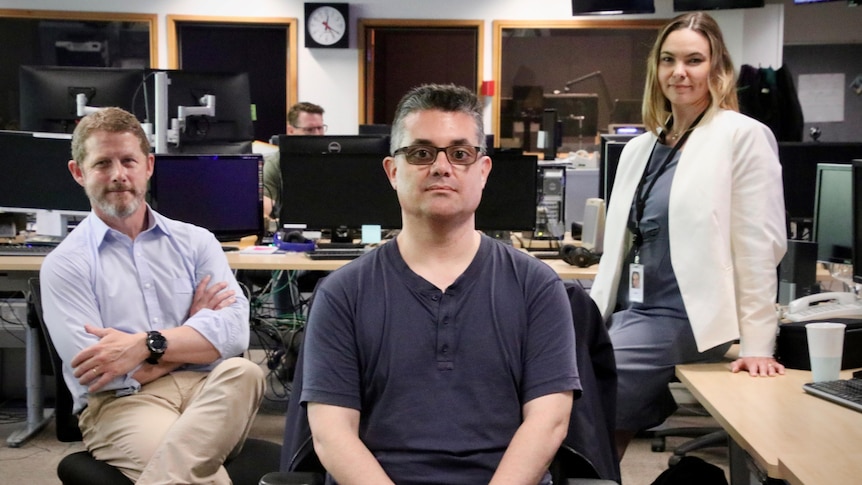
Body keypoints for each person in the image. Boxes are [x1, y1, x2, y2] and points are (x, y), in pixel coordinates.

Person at [300, 84, 580, 484]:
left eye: (460, 154)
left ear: (483, 172)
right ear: (393, 171)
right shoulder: (343, 293)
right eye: (421, 153)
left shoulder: (536, 286)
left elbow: (549, 421)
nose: (441, 167)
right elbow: (331, 433)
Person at [589, 11, 788, 459]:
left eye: (694, 60)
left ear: (717, 68)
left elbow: (760, 245)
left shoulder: (742, 137)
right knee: (549, 366)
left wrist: (758, 344)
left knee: (589, 384)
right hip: (628, 308)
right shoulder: (641, 148)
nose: (679, 72)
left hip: (689, 316)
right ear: (656, 69)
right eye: (668, 60)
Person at [39, 107, 265, 484]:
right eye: (102, 164)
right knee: (198, 476)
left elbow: (233, 336)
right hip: (123, 405)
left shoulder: (196, 242)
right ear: (78, 172)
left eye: (128, 160)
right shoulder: (66, 264)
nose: (118, 175)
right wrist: (192, 333)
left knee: (244, 370)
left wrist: (144, 345)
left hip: (204, 388)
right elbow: (102, 377)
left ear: (148, 165)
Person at [262, 101, 326, 224]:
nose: (318, 135)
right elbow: (264, 210)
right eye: (310, 130)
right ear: (291, 131)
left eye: (320, 128)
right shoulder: (276, 163)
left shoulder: (336, 160)